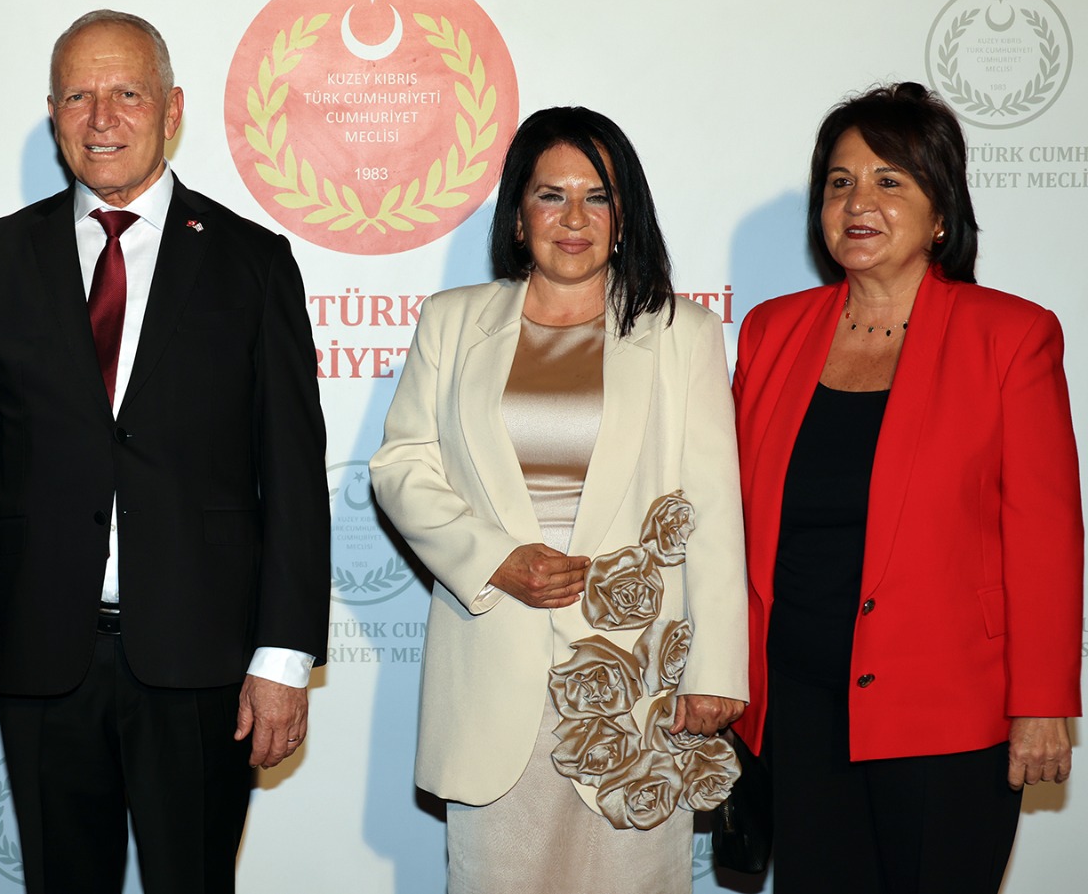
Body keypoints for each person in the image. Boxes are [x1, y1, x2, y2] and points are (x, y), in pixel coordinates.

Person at [0, 9, 330, 894]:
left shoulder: (252, 262)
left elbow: (293, 477)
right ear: (53, 114)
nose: (102, 118)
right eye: (78, 96)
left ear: (172, 109)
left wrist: (282, 658)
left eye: (127, 93)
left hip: (203, 661)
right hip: (41, 660)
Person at [371, 106, 748, 893]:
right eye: (551, 195)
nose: (574, 218)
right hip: (493, 671)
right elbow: (402, 465)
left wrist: (717, 669)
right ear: (518, 216)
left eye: (597, 196)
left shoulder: (683, 333)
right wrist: (496, 559)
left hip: (638, 687)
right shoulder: (452, 321)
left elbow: (712, 508)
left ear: (625, 215)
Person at [732, 82, 1083, 893]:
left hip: (948, 710)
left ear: (941, 214)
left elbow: (1045, 532)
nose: (859, 201)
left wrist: (1041, 700)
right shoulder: (772, 331)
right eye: (840, 181)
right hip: (797, 705)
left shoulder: (1011, 335)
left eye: (889, 180)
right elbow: (728, 514)